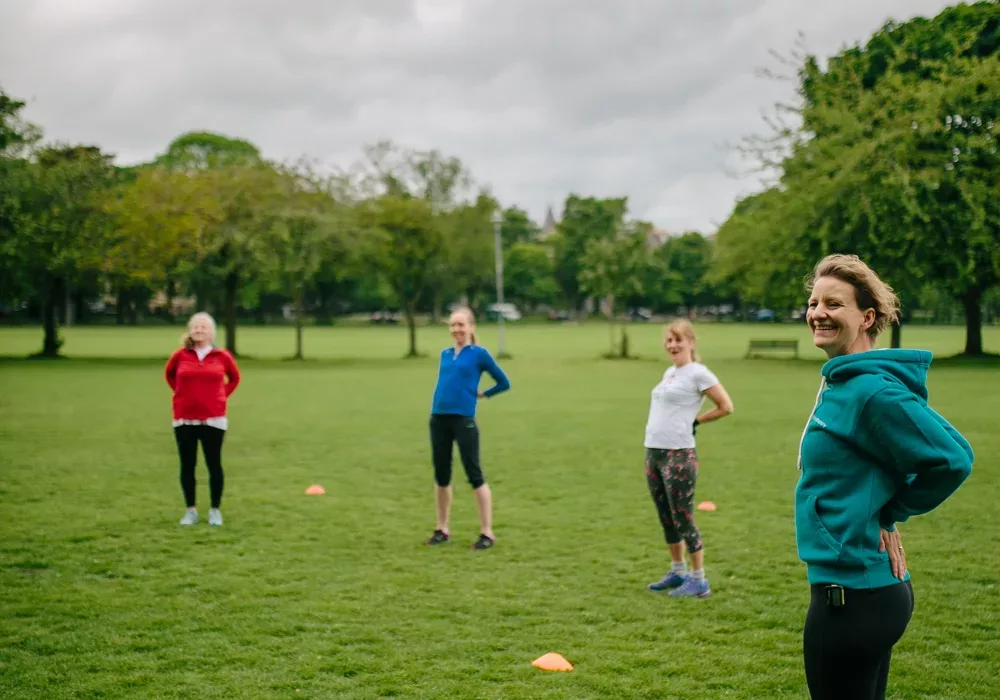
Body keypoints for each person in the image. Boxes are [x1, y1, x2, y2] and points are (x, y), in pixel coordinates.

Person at [796, 254, 973, 700]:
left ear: (867, 316)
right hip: (856, 589)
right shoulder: (844, 383)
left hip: (855, 598)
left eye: (834, 304)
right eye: (814, 302)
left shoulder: (872, 391)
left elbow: (953, 458)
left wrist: (891, 511)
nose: (818, 312)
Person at [644, 320, 734, 598]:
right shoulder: (670, 372)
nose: (672, 345)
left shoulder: (698, 373)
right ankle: (677, 570)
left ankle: (699, 579)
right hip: (654, 452)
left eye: (678, 340)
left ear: (691, 343)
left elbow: (726, 406)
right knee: (666, 518)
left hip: (679, 455)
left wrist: (697, 420)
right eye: (669, 341)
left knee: (683, 518)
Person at [425, 307, 511, 550]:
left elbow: (504, 382)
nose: (456, 330)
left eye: (461, 325)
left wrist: (485, 394)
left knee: (475, 475)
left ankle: (487, 532)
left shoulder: (479, 354)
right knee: (441, 476)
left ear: (472, 327)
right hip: (438, 419)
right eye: (453, 325)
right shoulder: (445, 354)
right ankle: (442, 528)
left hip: (464, 420)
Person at [164, 312, 241, 527]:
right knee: (187, 465)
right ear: (190, 330)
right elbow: (169, 375)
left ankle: (215, 510)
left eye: (203, 327)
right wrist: (181, 394)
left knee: (213, 464)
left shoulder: (222, 356)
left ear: (211, 332)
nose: (199, 330)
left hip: (214, 419)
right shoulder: (180, 355)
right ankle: (191, 510)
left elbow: (235, 378)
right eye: (195, 326)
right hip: (184, 419)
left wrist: (220, 396)